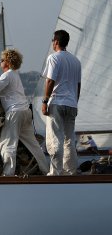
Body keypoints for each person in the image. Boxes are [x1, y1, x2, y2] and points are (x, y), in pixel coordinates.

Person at [0, 49, 49, 176]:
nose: (0, 62)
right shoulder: (15, 75)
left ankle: (8, 174)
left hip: (15, 113)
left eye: (2, 60)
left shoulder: (7, 75)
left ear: (8, 62)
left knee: (8, 143)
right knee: (33, 145)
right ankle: (47, 170)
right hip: (26, 113)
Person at [41, 30, 81, 176]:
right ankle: (70, 171)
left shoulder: (54, 58)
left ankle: (55, 173)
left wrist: (45, 101)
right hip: (72, 103)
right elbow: (78, 85)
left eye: (53, 40)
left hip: (57, 102)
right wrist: (75, 102)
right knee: (69, 139)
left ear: (56, 42)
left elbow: (50, 80)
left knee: (55, 138)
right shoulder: (76, 61)